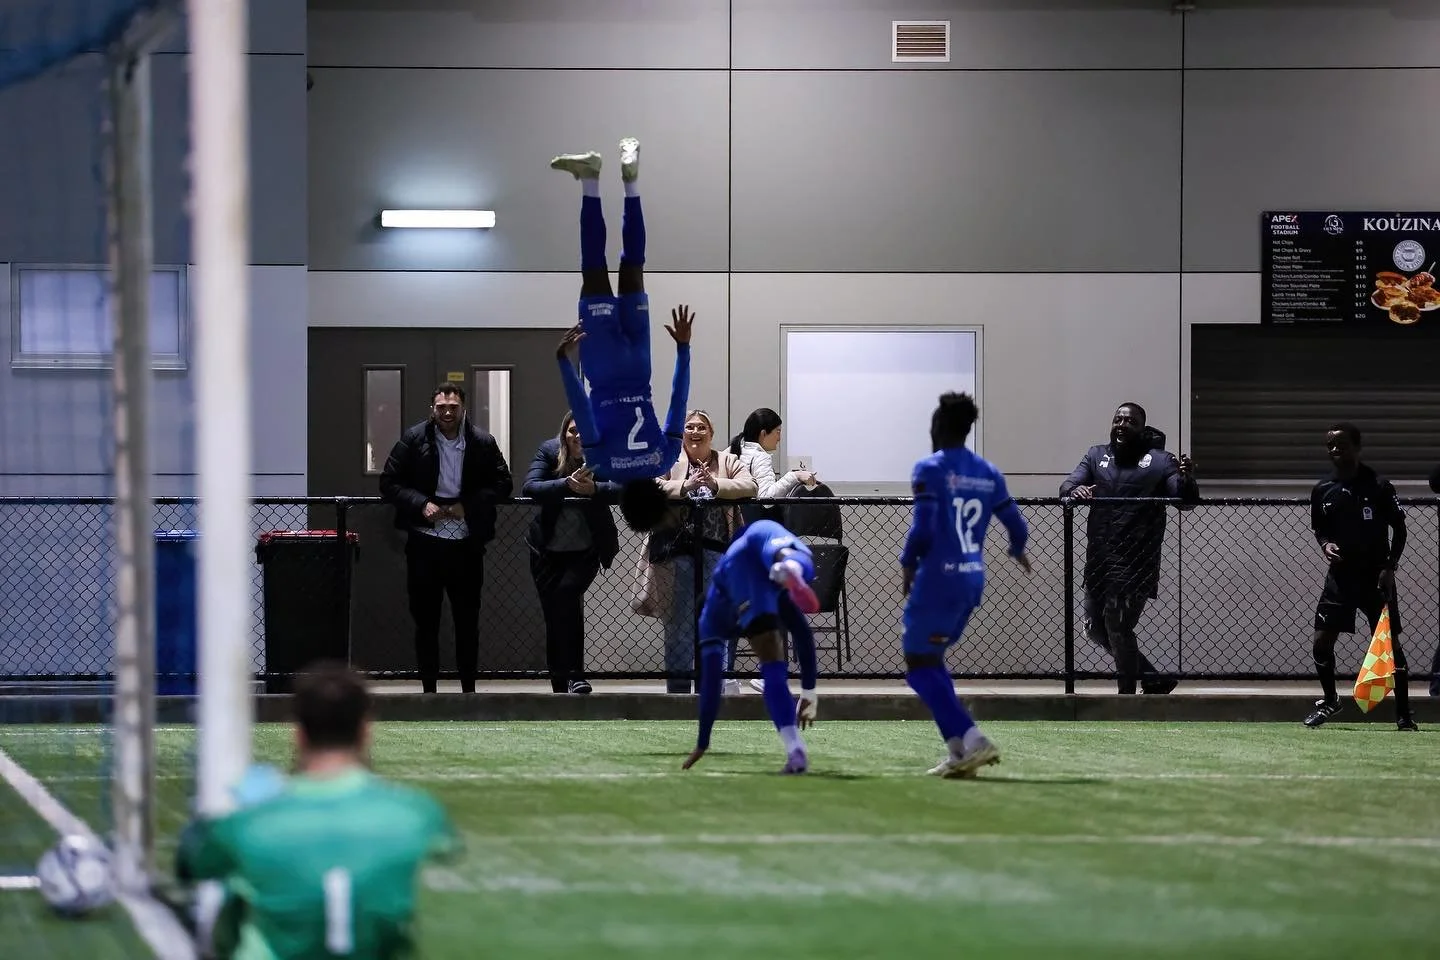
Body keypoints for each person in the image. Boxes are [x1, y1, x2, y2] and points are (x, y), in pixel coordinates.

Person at [176, 664, 461, 959]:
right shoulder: (416, 813)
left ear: (297, 734)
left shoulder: (248, 824)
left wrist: (212, 808)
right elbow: (449, 847)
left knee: (231, 894)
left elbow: (189, 863)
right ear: (365, 731)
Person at [549, 136, 693, 533]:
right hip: (605, 366)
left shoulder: (665, 460)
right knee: (594, 266)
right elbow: (580, 408)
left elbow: (679, 401)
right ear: (626, 504)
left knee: (633, 265)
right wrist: (564, 362)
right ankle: (590, 179)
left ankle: (631, 182)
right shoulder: (601, 464)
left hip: (639, 363)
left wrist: (683, 350)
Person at [900, 393, 1031, 778]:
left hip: (938, 577)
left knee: (918, 665)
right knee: (931, 661)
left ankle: (973, 740)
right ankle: (959, 753)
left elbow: (923, 528)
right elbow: (1017, 525)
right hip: (972, 578)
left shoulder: (930, 468)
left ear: (937, 427)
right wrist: (1017, 550)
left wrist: (907, 564)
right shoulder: (988, 472)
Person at [379, 383, 513, 694]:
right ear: (432, 410)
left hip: (467, 544)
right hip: (424, 543)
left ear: (463, 409)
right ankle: (429, 692)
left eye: (453, 407)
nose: (448, 413)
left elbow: (503, 483)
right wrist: (420, 504)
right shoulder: (414, 439)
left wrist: (468, 505)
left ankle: (469, 691)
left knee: (467, 621)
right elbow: (389, 481)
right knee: (426, 622)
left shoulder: (481, 441)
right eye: (442, 407)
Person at [1059, 402, 1199, 695]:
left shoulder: (1160, 461)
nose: (1122, 424)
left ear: (1141, 428)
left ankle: (1126, 695)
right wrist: (1076, 490)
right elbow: (1067, 486)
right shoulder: (1097, 455)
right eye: (1118, 419)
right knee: (1095, 629)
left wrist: (1187, 479)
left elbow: (1184, 500)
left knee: (1117, 627)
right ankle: (1153, 678)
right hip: (1098, 561)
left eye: (1130, 421)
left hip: (1135, 563)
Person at [681, 519, 822, 774]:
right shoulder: (763, 580)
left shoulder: (709, 621)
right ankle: (792, 566)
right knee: (793, 555)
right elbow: (802, 633)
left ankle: (796, 751)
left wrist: (703, 742)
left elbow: (711, 685)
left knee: (769, 660)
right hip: (754, 558)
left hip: (735, 580)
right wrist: (809, 692)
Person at [1305, 423, 1416, 730]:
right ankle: (1330, 701)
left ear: (1357, 447)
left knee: (1390, 646)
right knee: (1321, 643)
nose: (1335, 450)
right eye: (1330, 445)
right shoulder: (1322, 489)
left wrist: (1390, 567)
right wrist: (1325, 544)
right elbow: (1320, 529)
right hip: (1340, 578)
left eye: (1341, 444)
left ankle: (1404, 714)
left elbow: (1401, 529)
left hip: (1375, 579)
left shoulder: (1379, 485)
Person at [522, 411, 622, 695]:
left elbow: (624, 488)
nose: (578, 436)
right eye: (573, 431)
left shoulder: (602, 454)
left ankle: (575, 675)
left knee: (566, 597)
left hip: (586, 549)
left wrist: (594, 489)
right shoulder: (549, 450)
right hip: (545, 550)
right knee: (554, 614)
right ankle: (561, 683)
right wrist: (566, 485)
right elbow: (530, 486)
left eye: (584, 431)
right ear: (564, 433)